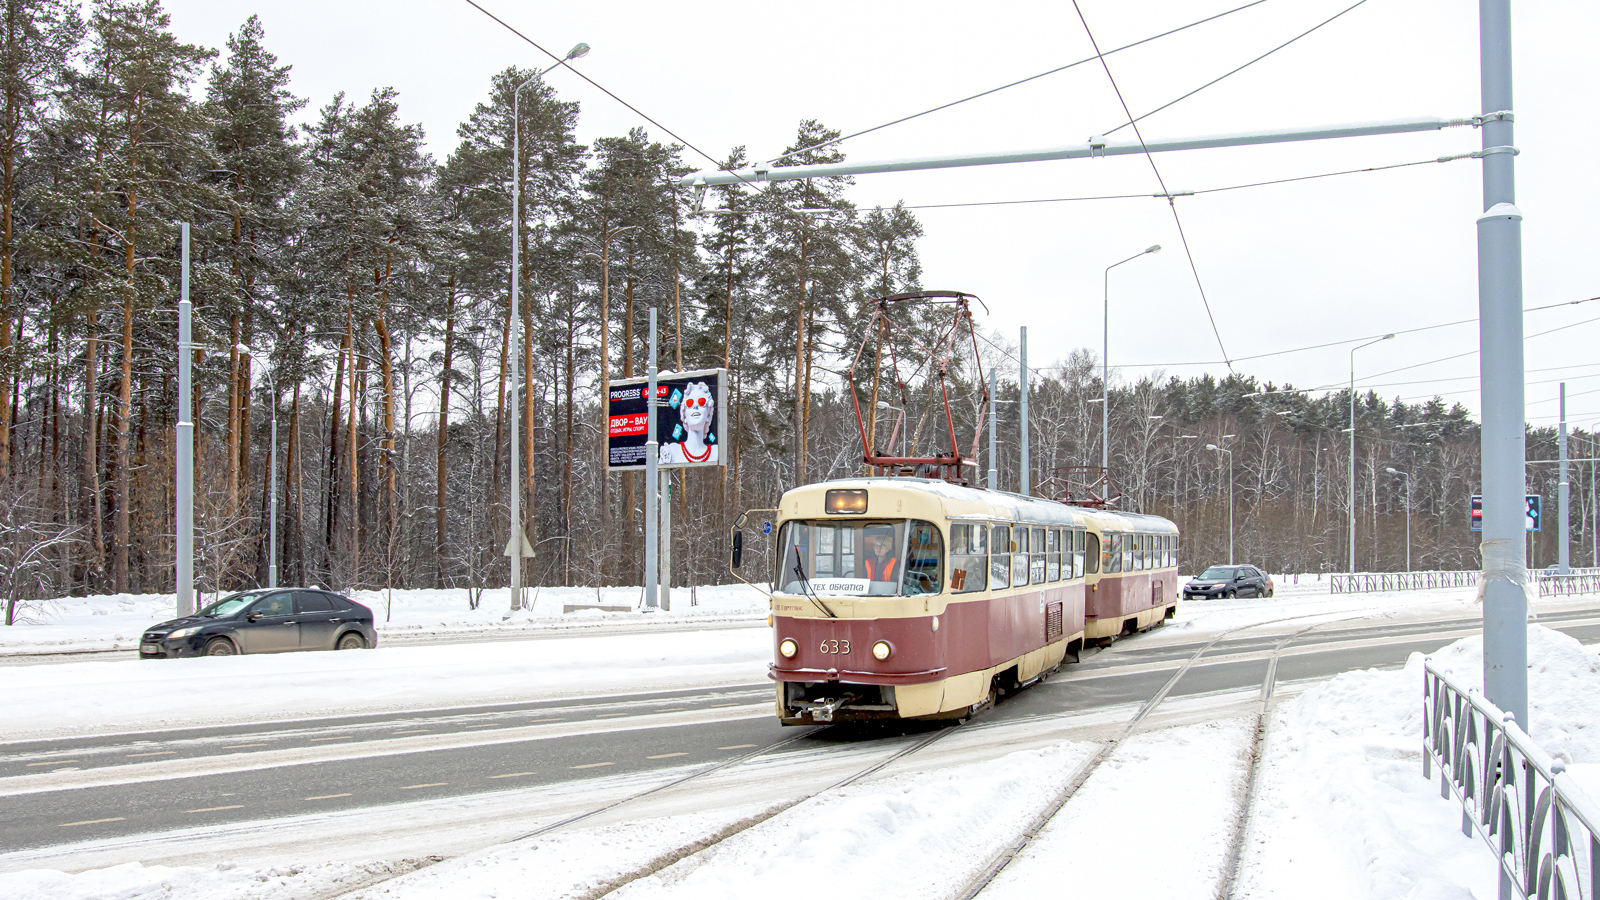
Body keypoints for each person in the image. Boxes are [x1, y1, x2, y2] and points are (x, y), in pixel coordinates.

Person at [659, 381, 718, 464]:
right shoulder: (672, 451)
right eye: (690, 403)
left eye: (701, 402)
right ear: (684, 416)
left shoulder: (716, 453)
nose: (695, 406)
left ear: (708, 415)